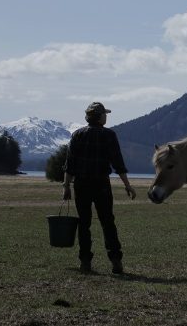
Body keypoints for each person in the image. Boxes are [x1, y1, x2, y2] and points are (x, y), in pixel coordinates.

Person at [62, 102, 136, 274]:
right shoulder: (109, 135)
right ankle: (116, 260)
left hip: (81, 185)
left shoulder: (77, 135)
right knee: (108, 222)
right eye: (105, 114)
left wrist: (66, 186)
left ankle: (85, 262)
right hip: (102, 184)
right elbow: (118, 163)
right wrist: (127, 185)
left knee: (84, 223)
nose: (106, 116)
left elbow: (70, 164)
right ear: (100, 116)